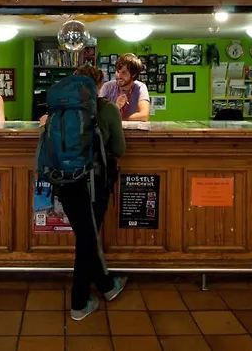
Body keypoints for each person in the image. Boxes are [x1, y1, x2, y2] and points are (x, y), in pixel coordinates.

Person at [40, 65, 127, 321]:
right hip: (92, 184)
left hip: (63, 181)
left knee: (86, 235)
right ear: (97, 85)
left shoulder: (58, 110)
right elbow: (119, 149)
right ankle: (79, 303)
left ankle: (107, 285)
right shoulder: (107, 109)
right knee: (87, 239)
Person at [100, 53, 150, 121]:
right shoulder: (107, 87)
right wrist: (116, 107)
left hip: (131, 128)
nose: (119, 76)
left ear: (133, 74)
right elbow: (99, 114)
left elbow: (144, 115)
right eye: (118, 71)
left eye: (124, 72)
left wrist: (120, 120)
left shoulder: (140, 87)